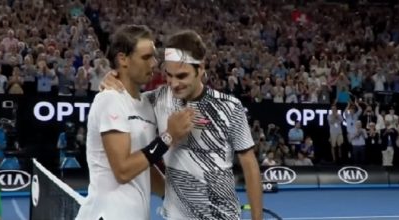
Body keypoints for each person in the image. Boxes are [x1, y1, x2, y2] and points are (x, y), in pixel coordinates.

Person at [102, 30, 263, 220]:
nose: (174, 83)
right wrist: (111, 78)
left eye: (182, 76)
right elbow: (123, 99)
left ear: (200, 68)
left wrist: (257, 218)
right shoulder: (157, 100)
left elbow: (250, 167)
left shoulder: (230, 107)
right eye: (169, 75)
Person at [75, 25, 194, 220]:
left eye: (154, 57)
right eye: (146, 57)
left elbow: (142, 167)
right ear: (123, 59)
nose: (154, 63)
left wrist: (174, 197)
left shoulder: (145, 104)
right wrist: (167, 137)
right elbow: (123, 170)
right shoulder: (110, 100)